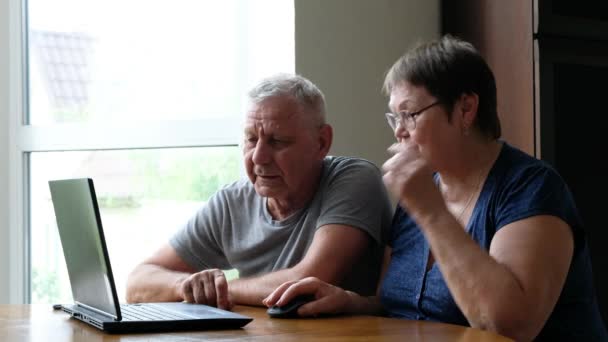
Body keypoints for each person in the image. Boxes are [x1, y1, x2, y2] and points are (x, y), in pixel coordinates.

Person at [263, 36, 607, 341]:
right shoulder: (423, 191)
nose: (399, 131)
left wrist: (429, 209)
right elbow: (398, 305)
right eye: (394, 118)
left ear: (465, 109)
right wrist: (349, 301)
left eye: (409, 114)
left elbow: (509, 326)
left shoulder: (531, 189)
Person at [126, 74, 392, 310]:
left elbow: (311, 279)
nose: (259, 157)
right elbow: (137, 283)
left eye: (277, 141)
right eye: (251, 139)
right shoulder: (231, 202)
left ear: (322, 142)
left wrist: (219, 289)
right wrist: (186, 285)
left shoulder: (355, 179)